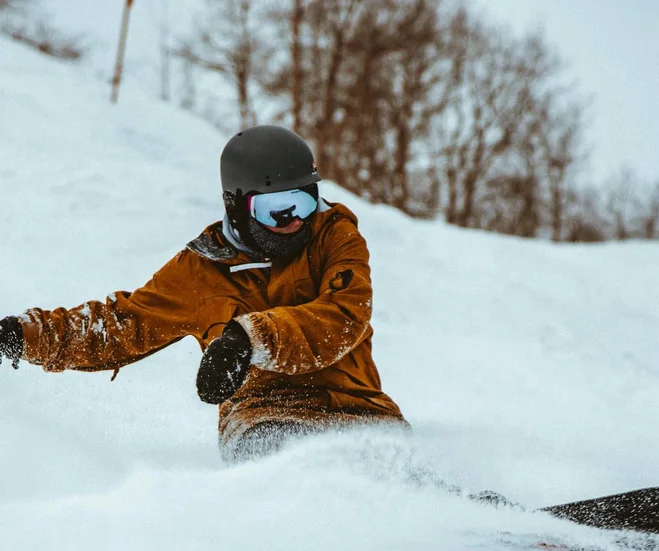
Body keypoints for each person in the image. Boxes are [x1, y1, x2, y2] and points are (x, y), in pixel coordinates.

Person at [0, 125, 406, 461]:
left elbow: (343, 316)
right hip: (263, 419)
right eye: (274, 210)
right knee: (291, 466)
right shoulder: (201, 271)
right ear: (236, 205)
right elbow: (122, 324)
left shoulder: (334, 236)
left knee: (395, 471)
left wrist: (249, 339)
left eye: (302, 202)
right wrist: (23, 335)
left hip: (359, 408)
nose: (292, 222)